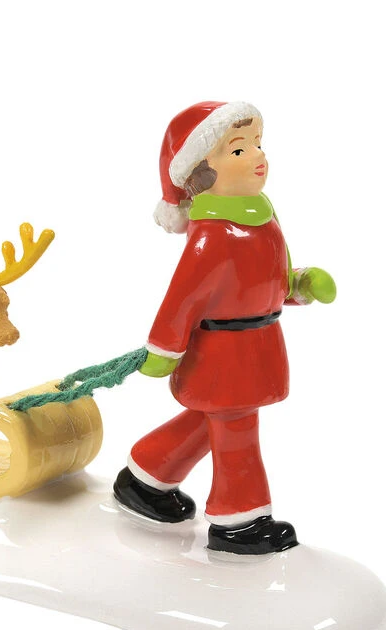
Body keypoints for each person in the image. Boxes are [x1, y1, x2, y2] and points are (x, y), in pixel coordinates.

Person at [113, 101, 336, 555]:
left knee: (208, 421)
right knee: (236, 430)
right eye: (238, 150)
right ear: (202, 173)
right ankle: (241, 521)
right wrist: (163, 349)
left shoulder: (260, 217)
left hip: (255, 343)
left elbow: (261, 281)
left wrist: (297, 286)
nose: (258, 156)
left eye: (258, 144)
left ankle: (145, 478)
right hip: (223, 353)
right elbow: (182, 298)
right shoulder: (212, 236)